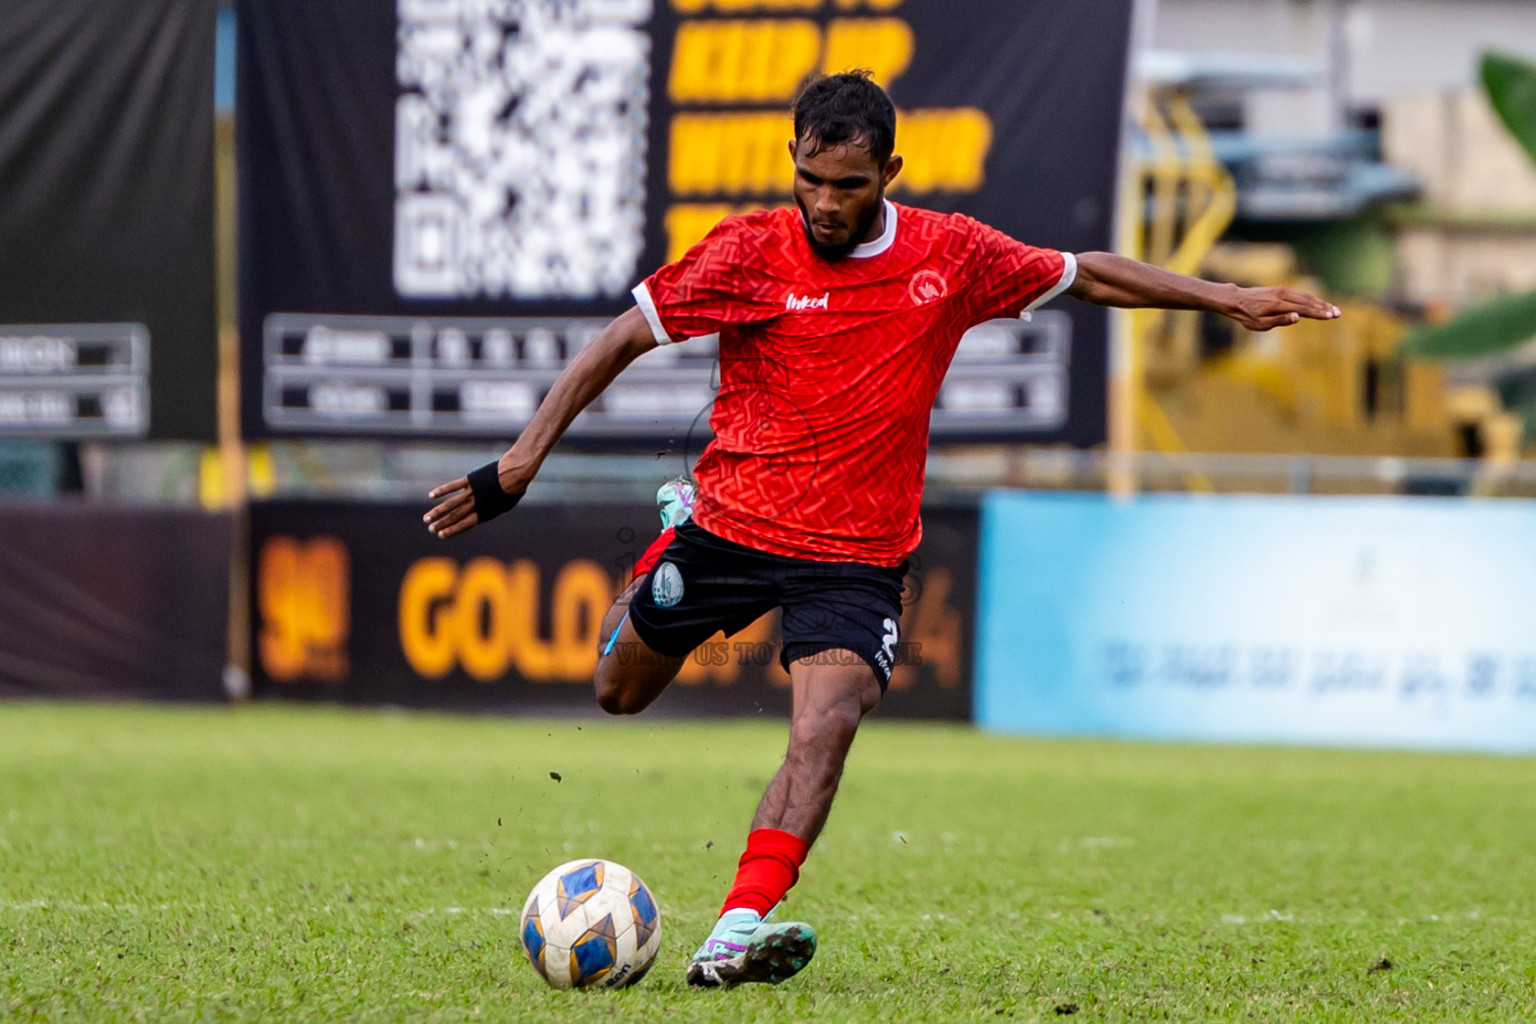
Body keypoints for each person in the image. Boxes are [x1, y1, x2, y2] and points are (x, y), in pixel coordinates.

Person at [423, 70, 1340, 988]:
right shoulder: (748, 252)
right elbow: (622, 336)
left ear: (890, 171)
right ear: (791, 159)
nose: (825, 203)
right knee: (616, 693)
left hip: (856, 560)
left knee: (827, 721)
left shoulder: (953, 256)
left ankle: (736, 927)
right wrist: (516, 465)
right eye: (811, 179)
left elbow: (1085, 272)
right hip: (732, 528)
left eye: (849, 186)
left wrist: (1226, 297)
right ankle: (676, 529)